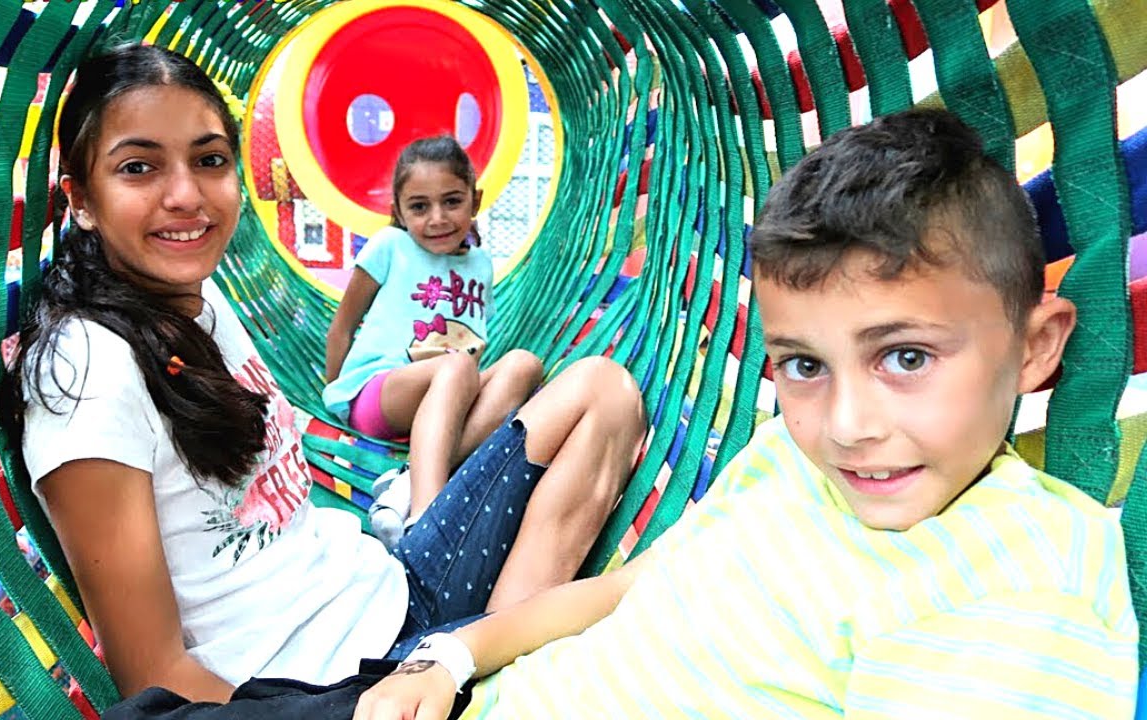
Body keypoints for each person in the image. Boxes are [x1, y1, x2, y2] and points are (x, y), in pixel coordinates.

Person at [352, 109, 1138, 719]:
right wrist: (448, 657)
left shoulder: (1014, 585)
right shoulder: (787, 459)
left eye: (906, 357)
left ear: (1037, 348)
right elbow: (625, 591)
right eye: (804, 365)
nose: (847, 425)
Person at [4, 43, 645, 705]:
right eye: (138, 167)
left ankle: (492, 673)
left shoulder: (198, 295)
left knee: (605, 393)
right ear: (81, 198)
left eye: (209, 160)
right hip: (341, 690)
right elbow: (157, 680)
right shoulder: (86, 374)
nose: (186, 195)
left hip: (395, 591)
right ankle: (493, 691)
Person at [322, 136, 543, 548]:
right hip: (379, 393)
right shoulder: (391, 246)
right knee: (458, 364)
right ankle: (424, 520)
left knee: (524, 364)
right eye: (420, 207)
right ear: (399, 212)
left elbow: (477, 338)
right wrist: (335, 394)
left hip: (446, 401)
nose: (437, 218)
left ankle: (406, 484)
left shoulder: (481, 264)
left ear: (475, 202)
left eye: (452, 201)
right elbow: (342, 327)